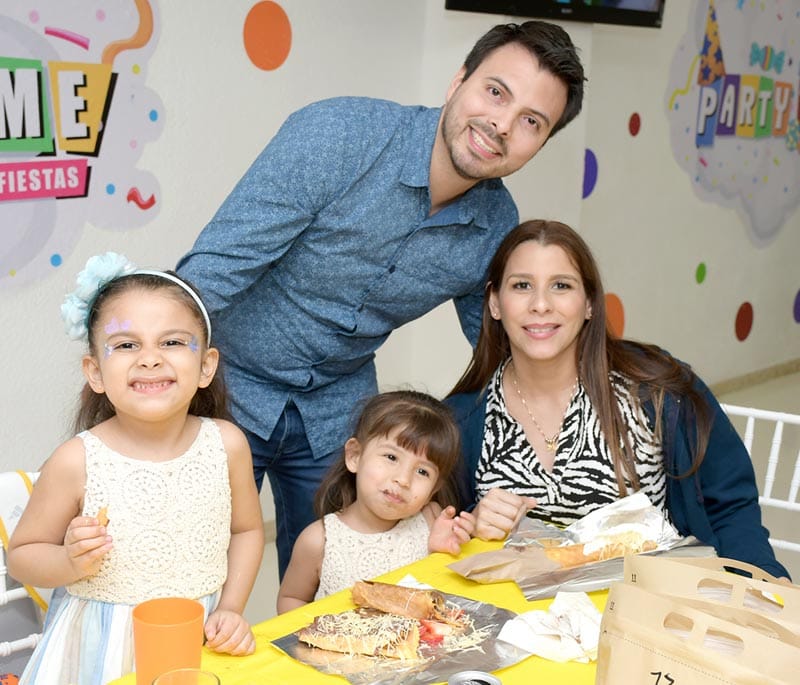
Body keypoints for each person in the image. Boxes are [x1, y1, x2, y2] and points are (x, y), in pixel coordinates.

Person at [176, 20, 586, 579]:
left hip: (338, 408)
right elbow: (214, 271)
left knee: (343, 580)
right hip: (229, 383)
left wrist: (580, 412)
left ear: (541, 143)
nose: (501, 125)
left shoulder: (495, 225)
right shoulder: (337, 135)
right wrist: (148, 386)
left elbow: (500, 352)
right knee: (192, 571)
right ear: (458, 81)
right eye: (495, 92)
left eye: (531, 121)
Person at [445, 220, 790, 579]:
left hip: (651, 604)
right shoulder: (461, 421)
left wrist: (763, 585)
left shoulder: (657, 388)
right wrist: (470, 523)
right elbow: (431, 535)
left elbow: (730, 506)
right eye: (522, 286)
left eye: (561, 285)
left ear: (590, 304)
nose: (541, 304)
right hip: (517, 612)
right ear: (495, 303)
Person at [7, 253, 266, 685]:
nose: (149, 359)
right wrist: (69, 561)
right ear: (95, 372)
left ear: (206, 366)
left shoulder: (227, 445)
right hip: (97, 656)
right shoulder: (76, 460)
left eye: (172, 342)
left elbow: (247, 531)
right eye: (127, 345)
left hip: (194, 645)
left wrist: (231, 608)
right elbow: (23, 557)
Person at [276, 390, 476, 613]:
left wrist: (441, 555)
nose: (403, 479)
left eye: (422, 471)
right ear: (355, 456)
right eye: (391, 457)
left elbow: (440, 597)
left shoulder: (431, 520)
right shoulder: (318, 540)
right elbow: (292, 598)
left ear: (433, 489)